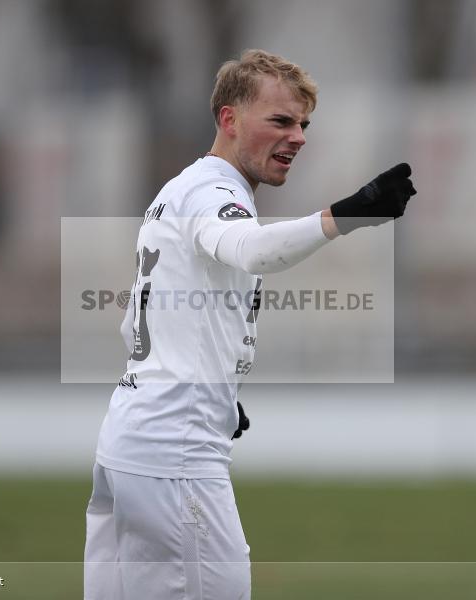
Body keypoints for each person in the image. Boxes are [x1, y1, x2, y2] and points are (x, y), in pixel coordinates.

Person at [84, 49, 416, 600]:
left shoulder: (182, 189)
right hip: (175, 457)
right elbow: (253, 251)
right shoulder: (215, 193)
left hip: (132, 444)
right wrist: (347, 214)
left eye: (303, 124)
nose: (299, 137)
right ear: (229, 119)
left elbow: (155, 314)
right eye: (281, 120)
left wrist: (214, 392)